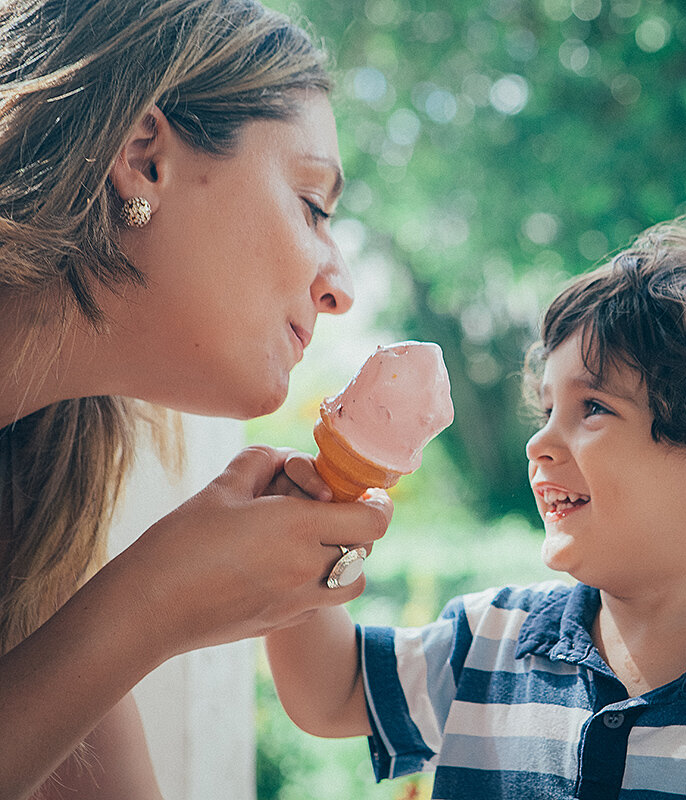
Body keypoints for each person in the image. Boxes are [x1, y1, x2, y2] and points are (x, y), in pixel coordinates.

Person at [266, 218, 686, 798]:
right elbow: (332, 692)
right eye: (548, 409)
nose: (540, 442)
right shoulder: (491, 642)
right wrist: (307, 524)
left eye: (595, 408)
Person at [0, 1, 392, 798]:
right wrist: (154, 605)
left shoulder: (33, 511)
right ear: (144, 157)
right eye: (313, 206)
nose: (341, 288)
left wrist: (149, 602)